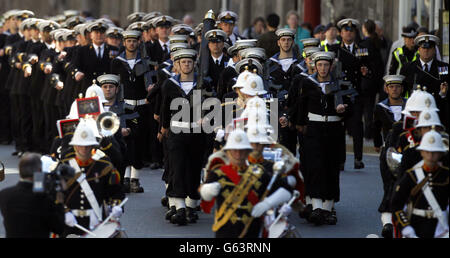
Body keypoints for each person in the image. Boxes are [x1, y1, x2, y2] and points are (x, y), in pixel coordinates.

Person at [200, 129, 292, 238]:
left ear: (248, 151)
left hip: (251, 232)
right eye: (234, 150)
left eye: (242, 151)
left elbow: (287, 191)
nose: (238, 155)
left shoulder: (260, 173)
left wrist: (267, 203)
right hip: (224, 232)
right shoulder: (218, 172)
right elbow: (205, 195)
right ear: (228, 152)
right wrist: (208, 190)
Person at [297, 51, 352, 225]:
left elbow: (352, 106)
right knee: (315, 167)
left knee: (331, 166)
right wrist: (299, 125)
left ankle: (329, 207)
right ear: (315, 66)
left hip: (334, 128)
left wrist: (345, 109)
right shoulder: (307, 83)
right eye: (319, 65)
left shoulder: (340, 84)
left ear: (331, 66)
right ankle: (316, 206)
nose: (322, 68)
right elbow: (301, 106)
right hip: (314, 129)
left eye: (325, 65)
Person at [160, 49, 208, 225]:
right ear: (177, 65)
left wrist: (207, 119)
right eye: (183, 62)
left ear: (194, 63)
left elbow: (214, 107)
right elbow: (165, 108)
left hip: (197, 133)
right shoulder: (170, 84)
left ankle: (191, 205)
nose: (186, 65)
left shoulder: (204, 84)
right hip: (176, 132)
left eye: (189, 62)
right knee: (177, 168)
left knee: (194, 169)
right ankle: (179, 207)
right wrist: (163, 129)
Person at [61, 120, 125, 236]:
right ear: (75, 146)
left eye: (87, 146)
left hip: (96, 221)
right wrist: (62, 212)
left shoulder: (104, 167)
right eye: (80, 145)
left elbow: (116, 192)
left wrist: (116, 207)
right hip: (70, 223)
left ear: (92, 146)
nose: (84, 149)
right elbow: (54, 194)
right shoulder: (64, 168)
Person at [111, 30, 149, 193]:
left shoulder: (145, 61)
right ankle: (125, 177)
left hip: (140, 106)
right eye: (128, 41)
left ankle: (135, 178)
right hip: (123, 106)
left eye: (134, 41)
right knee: (124, 140)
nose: (131, 44)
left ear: (138, 42)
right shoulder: (117, 62)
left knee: (138, 142)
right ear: (124, 43)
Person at [391, 129, 449, 238]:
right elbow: (396, 205)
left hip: (441, 228)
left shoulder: (446, 175)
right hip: (415, 227)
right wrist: (406, 227)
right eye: (427, 152)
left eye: (435, 152)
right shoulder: (411, 176)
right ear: (421, 152)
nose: (431, 156)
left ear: (441, 154)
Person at [372, 75, 407, 238]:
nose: (394, 89)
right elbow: (375, 126)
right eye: (391, 87)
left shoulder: (409, 107)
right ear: (386, 89)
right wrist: (378, 144)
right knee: (389, 188)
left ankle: (403, 223)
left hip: (407, 153)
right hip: (388, 153)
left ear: (402, 89)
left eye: (398, 87)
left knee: (405, 188)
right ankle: (387, 223)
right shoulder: (380, 107)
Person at [0, 153, 65, 238]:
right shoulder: (45, 199)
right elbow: (59, 228)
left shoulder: (5, 194)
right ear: (39, 172)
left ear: (20, 171)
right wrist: (60, 202)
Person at [400, 34, 448, 130]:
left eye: (429, 48)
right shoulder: (408, 67)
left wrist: (443, 94)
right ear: (418, 49)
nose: (426, 51)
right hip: (415, 112)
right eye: (423, 48)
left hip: (437, 112)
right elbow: (402, 92)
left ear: (434, 50)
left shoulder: (444, 68)